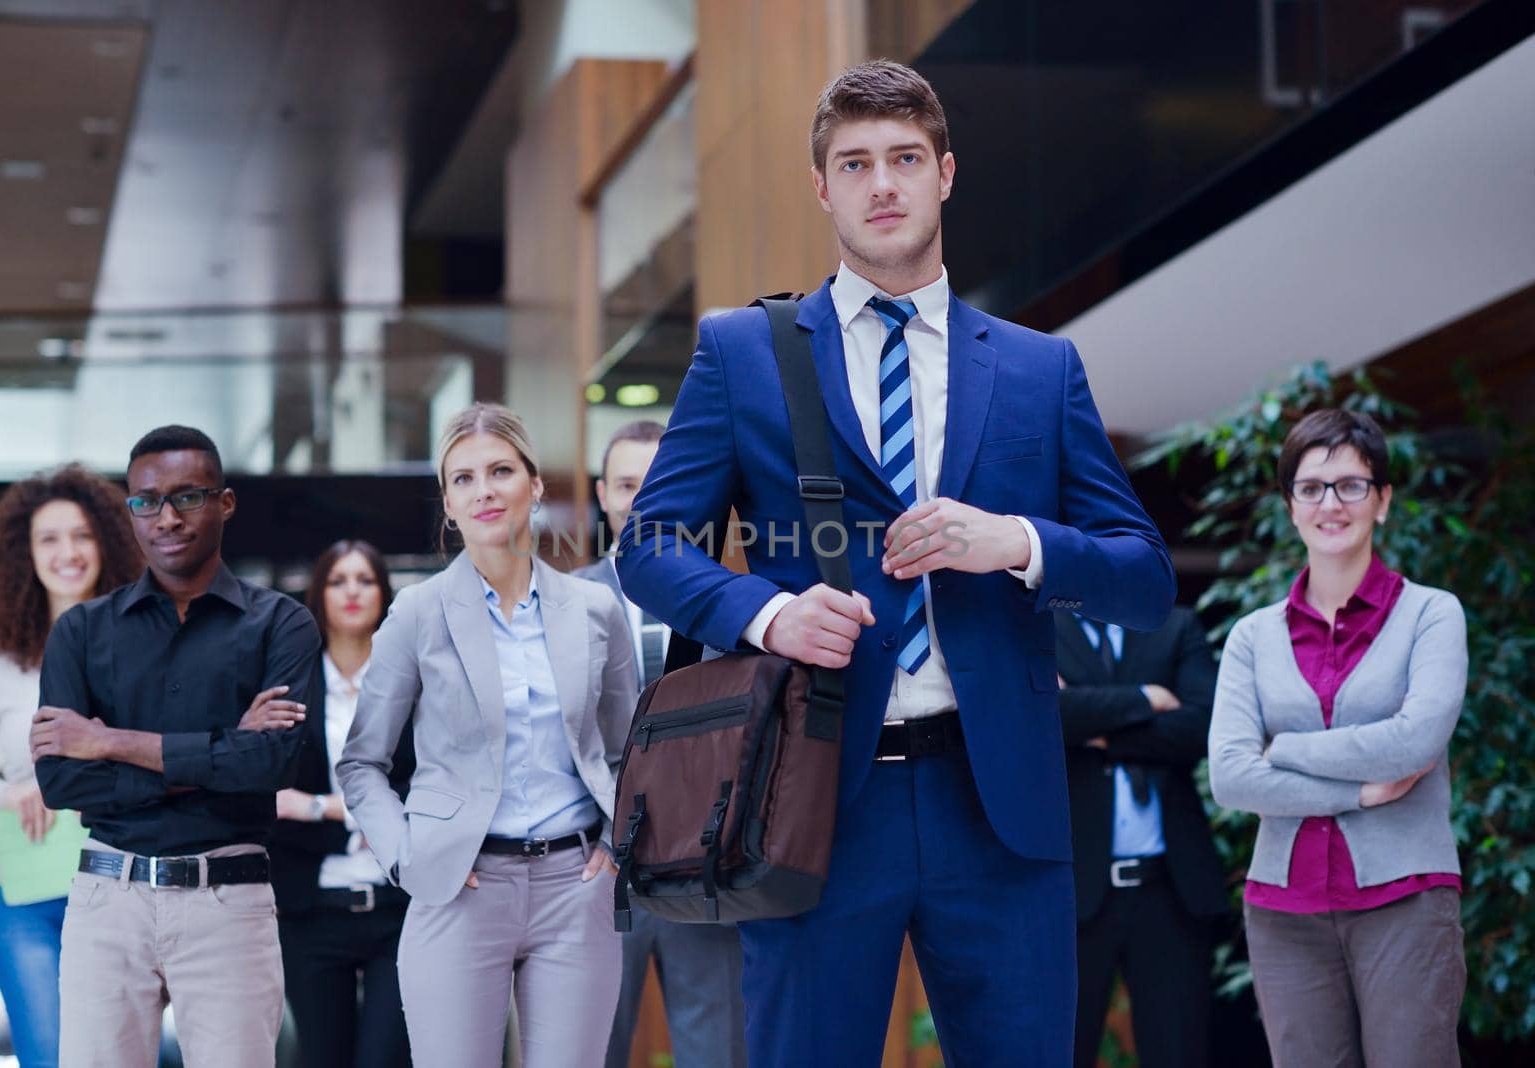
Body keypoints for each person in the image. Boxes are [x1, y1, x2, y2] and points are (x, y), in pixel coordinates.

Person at [616, 60, 1175, 1066]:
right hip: (810, 802)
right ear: (822, 186)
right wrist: (764, 615)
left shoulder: (1042, 370)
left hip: (998, 807)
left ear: (945, 173)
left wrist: (1014, 543)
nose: (883, 183)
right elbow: (647, 543)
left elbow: (1143, 575)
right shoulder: (742, 351)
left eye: (905, 158)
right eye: (856, 161)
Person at [337, 402, 637, 1068]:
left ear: (534, 485)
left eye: (500, 470)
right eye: (464, 478)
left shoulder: (594, 609)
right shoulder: (416, 613)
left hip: (576, 886)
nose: (485, 490)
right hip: (458, 884)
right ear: (447, 502)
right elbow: (362, 763)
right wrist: (408, 857)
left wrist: (618, 845)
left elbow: (629, 751)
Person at [30, 425, 319, 1068]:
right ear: (130, 508)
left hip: (230, 901)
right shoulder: (81, 632)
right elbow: (62, 782)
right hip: (109, 900)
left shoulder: (281, 624)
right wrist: (221, 753)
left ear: (225, 502)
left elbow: (273, 762)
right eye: (146, 501)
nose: (166, 517)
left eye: (188, 497)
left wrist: (109, 743)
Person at [1209, 408, 1468, 1067]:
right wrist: (1359, 790)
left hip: (1405, 898)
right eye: (1312, 487)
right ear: (1291, 506)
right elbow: (1232, 777)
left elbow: (1415, 742)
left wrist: (1286, 750)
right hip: (1283, 907)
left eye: (1351, 486)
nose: (1332, 503)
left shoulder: (1432, 614)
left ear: (1381, 502)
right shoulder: (1252, 636)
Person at [0, 465, 142, 1068]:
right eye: (49, 538)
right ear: (24, 554)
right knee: (52, 1059)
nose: (68, 552)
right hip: (30, 902)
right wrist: (12, 795)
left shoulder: (146, 650)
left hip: (128, 892)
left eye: (81, 535)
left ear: (107, 541)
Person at [579, 420, 746, 1068]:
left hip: (703, 863)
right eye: (626, 484)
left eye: (656, 482)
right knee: (591, 1048)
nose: (640, 498)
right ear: (602, 494)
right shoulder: (560, 601)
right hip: (596, 867)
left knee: (718, 1048)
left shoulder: (732, 600)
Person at [1055, 605, 1227, 1067]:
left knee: (1179, 1052)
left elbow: (1203, 727)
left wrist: (1098, 733)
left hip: (1168, 889)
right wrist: (1147, 698)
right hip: (1071, 890)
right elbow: (1044, 714)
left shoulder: (1174, 625)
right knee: (1059, 1052)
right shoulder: (1035, 624)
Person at [270, 539, 413, 1068]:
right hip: (312, 910)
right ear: (318, 594)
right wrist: (344, 813)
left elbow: (433, 787)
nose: (352, 591)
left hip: (399, 907)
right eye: (338, 580)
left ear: (384, 593)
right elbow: (266, 795)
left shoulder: (412, 679)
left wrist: (315, 805)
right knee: (321, 1057)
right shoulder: (287, 685)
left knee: (386, 1058)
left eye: (365, 579)